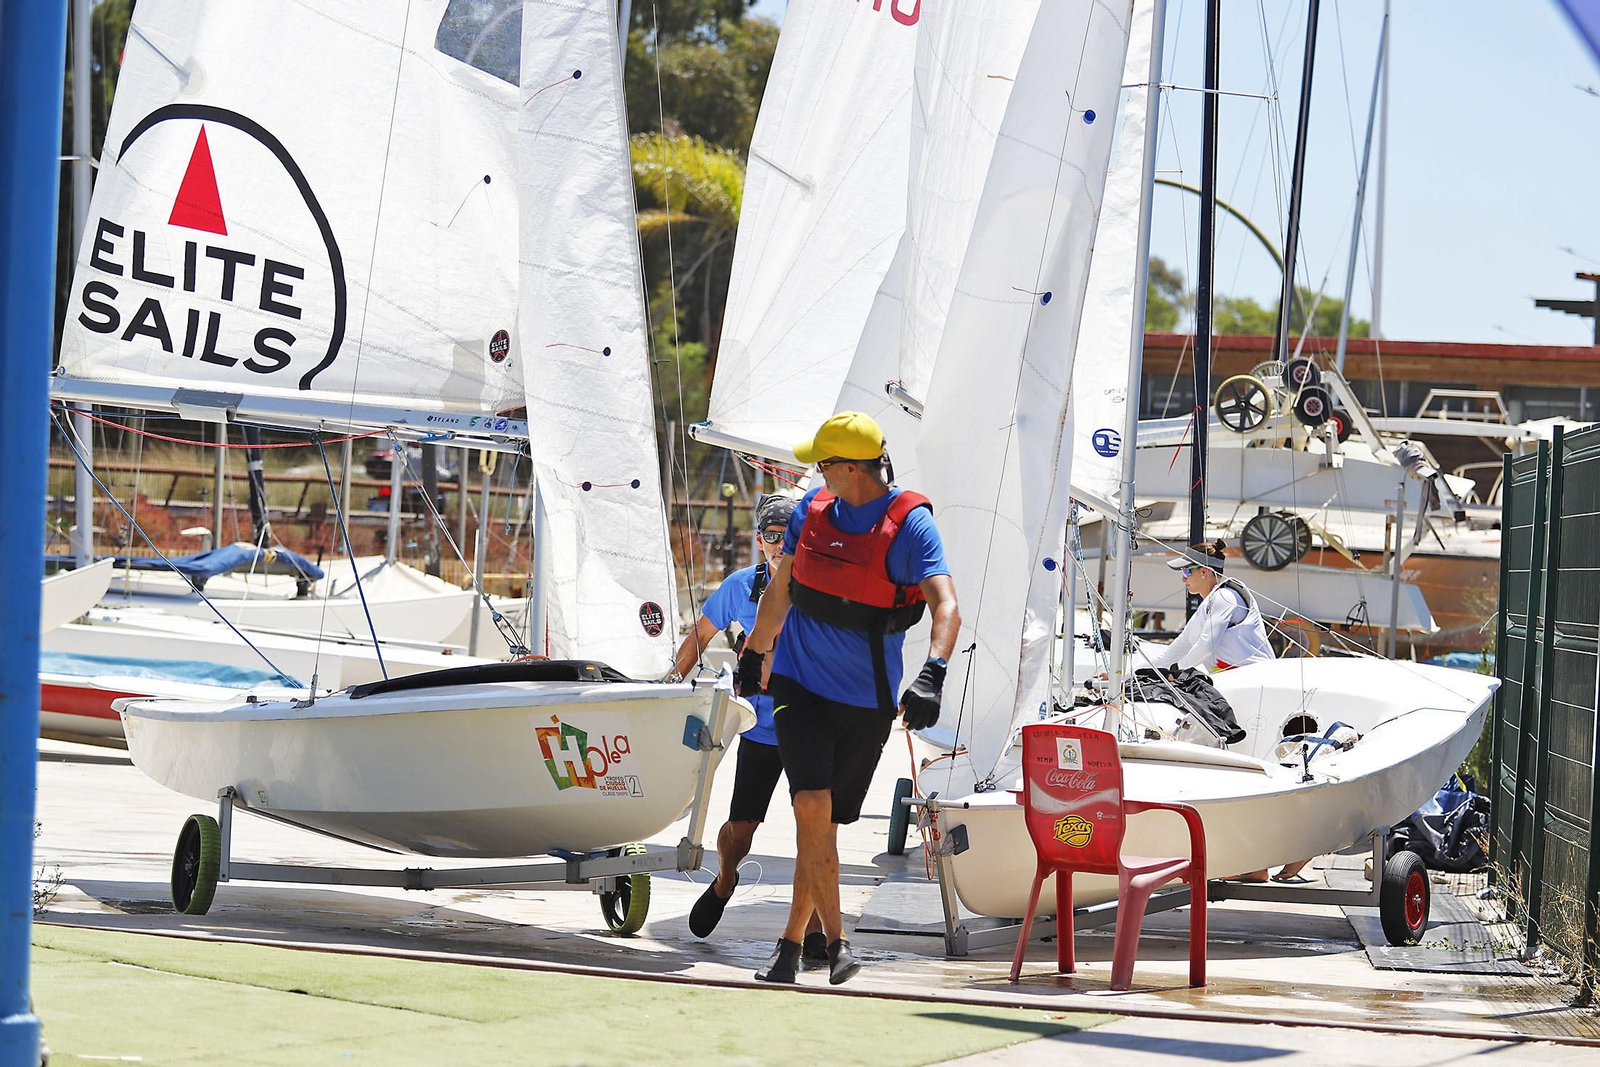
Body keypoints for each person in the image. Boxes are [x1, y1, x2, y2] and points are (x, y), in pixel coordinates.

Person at [739, 412, 960, 986]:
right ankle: (836, 943)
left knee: (826, 825)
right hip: (798, 686)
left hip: (867, 700)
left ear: (850, 467)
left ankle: (791, 946)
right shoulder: (810, 513)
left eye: (823, 463)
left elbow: (946, 605)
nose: (817, 473)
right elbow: (782, 590)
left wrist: (933, 671)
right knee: (810, 809)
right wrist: (756, 653)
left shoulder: (910, 526)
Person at [670, 494, 825, 957]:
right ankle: (725, 879)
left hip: (810, 728)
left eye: (790, 537)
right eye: (773, 536)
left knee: (815, 830)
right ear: (761, 541)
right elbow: (699, 637)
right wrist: (665, 687)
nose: (781, 545)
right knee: (740, 830)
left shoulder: (822, 587)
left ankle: (813, 927)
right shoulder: (741, 587)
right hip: (760, 728)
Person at [1140, 541, 1274, 672]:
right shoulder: (1205, 610)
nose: (1183, 579)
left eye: (1186, 572)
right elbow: (1169, 656)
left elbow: (1206, 646)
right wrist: (1128, 676)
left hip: (1259, 678)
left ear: (1204, 572)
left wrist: (1177, 669)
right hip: (1236, 682)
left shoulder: (1225, 597)